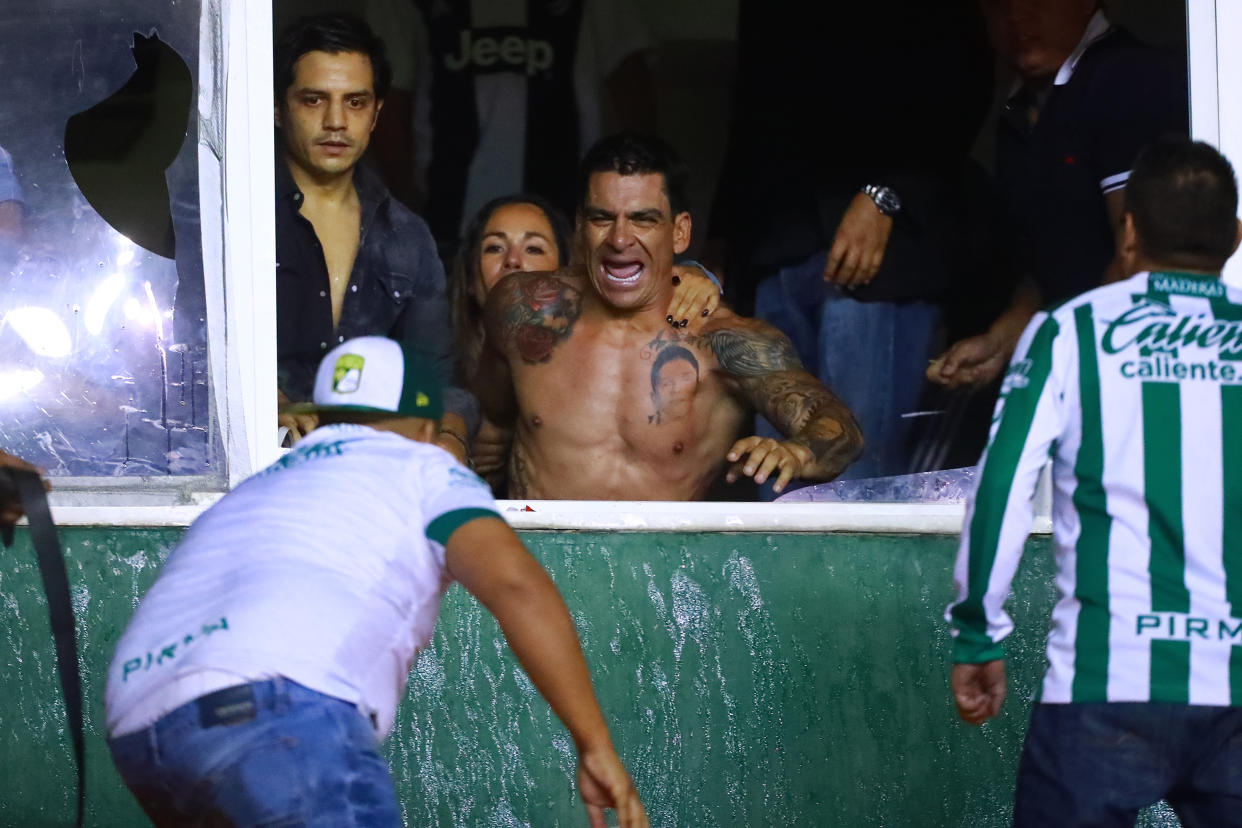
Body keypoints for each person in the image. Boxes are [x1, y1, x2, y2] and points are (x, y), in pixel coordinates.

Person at [104, 336, 649, 827]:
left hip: (140, 728)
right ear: (428, 428)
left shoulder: (262, 486)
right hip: (276, 709)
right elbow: (516, 587)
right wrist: (594, 743)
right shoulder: (423, 468)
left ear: (322, 417)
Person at [947, 137, 1242, 825]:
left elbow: (1001, 490)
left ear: (1129, 230)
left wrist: (978, 635)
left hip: (1104, 686)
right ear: (1234, 236)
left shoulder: (1069, 332)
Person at [475, 133, 863, 500]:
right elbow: (491, 418)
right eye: (601, 218)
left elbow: (839, 427)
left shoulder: (723, 343)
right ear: (579, 228)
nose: (620, 239)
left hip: (657, 567)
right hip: (535, 561)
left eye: (643, 219)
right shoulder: (522, 308)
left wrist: (797, 453)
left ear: (679, 232)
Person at [706, 0, 994, 482]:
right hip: (774, 247)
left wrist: (888, 194)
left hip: (879, 262)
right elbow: (753, 109)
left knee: (860, 478)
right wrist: (722, 241)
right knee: (772, 480)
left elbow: (961, 91)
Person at [928, 0, 1188, 390]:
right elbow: (1053, 262)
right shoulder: (1022, 107)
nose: (1018, 15)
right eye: (999, 5)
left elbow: (1141, 261)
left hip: (1137, 371)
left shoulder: (1127, 76)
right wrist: (1001, 342)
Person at [273, 13, 473, 462]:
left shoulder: (407, 236)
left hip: (366, 477)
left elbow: (437, 380)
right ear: (277, 108)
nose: (336, 121)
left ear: (377, 113)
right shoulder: (237, 220)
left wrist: (451, 439)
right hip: (248, 478)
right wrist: (256, 399)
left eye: (356, 102)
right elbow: (173, 348)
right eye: (313, 100)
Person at [448, 193, 721, 488]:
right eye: (495, 247)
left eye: (534, 248)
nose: (513, 261)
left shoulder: (598, 367)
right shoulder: (442, 363)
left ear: (568, 272)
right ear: (471, 280)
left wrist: (699, 276)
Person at [370, 0, 656, 256]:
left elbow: (632, 89)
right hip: (448, 227)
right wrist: (409, 212)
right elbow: (387, 106)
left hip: (565, 224)